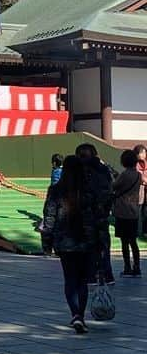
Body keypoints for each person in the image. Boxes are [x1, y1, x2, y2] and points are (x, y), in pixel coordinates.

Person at [42, 154, 109, 333]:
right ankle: (80, 314)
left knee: (70, 278)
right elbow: (100, 218)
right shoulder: (90, 190)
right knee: (83, 280)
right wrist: (102, 241)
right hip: (87, 241)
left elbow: (49, 218)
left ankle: (75, 314)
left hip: (64, 242)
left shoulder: (56, 190)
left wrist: (46, 242)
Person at [75, 142, 115, 284]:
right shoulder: (105, 170)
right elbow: (111, 192)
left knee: (90, 247)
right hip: (102, 216)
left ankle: (91, 275)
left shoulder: (82, 172)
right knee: (104, 246)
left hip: (88, 216)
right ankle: (107, 274)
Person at [112, 149, 143, 277]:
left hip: (123, 211)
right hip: (134, 211)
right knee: (133, 242)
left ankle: (127, 268)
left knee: (125, 242)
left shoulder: (124, 175)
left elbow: (114, 186)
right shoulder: (138, 175)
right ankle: (137, 267)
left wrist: (114, 175)